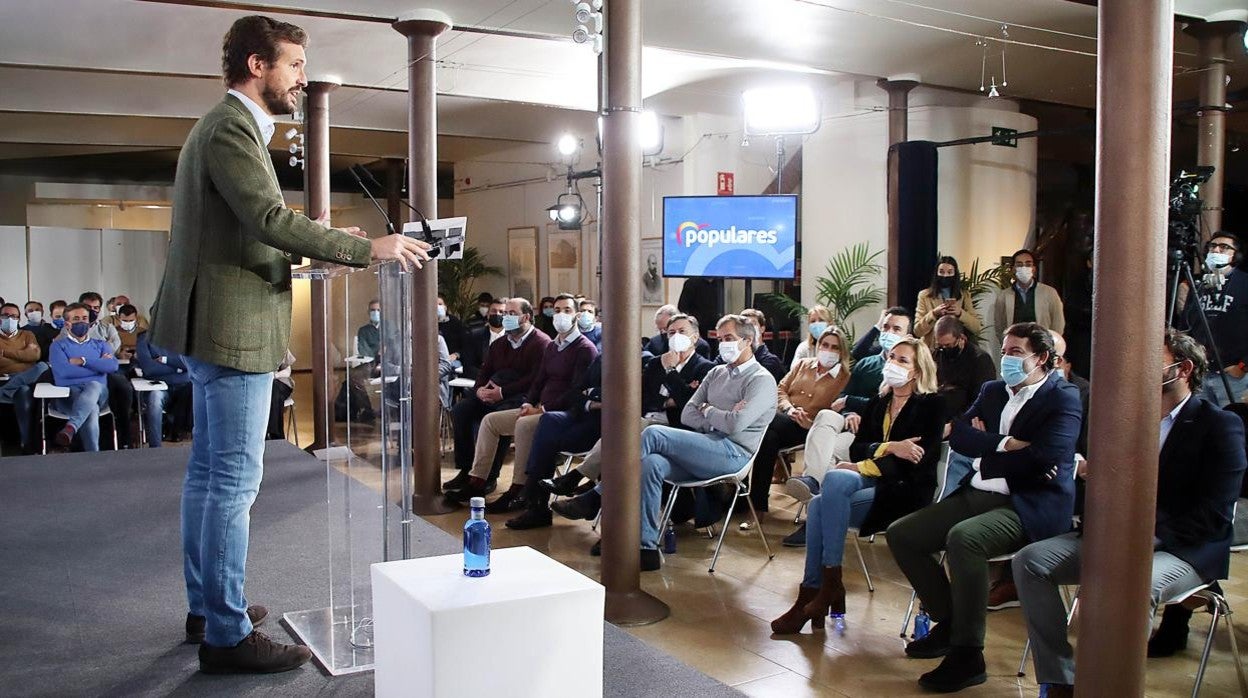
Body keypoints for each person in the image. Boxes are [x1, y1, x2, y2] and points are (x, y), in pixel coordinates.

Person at [148, 14, 431, 675]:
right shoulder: (231, 127)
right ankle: (223, 635)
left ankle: (209, 606)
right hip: (229, 329)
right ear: (257, 65)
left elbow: (245, 231)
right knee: (232, 484)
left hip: (217, 323)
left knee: (209, 479)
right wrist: (367, 248)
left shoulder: (226, 127)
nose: (302, 79)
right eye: (295, 65)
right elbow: (268, 220)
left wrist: (310, 249)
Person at [1012, 329, 1246, 698]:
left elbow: (1214, 514)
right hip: (1117, 534)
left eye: (1153, 360)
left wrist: (1145, 534)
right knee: (1030, 561)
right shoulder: (1128, 420)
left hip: (1182, 545)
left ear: (1182, 369)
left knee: (1134, 585)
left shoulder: (1219, 425)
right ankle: (1060, 678)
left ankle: (1113, 688)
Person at [885, 322, 1081, 693]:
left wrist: (987, 452)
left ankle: (968, 653)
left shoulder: (1063, 397)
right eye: (1004, 350)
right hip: (978, 492)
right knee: (903, 534)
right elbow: (959, 435)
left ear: (1040, 358)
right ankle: (949, 624)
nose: (1006, 358)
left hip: (1028, 503)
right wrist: (1007, 443)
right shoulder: (993, 390)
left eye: (1016, 353)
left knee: (965, 539)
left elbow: (1045, 458)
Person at [557, 315, 777, 571]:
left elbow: (735, 426)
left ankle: (596, 496)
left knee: (653, 434)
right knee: (650, 463)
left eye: (730, 339)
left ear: (748, 341)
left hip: (733, 453)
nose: (723, 344)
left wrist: (708, 411)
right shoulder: (717, 373)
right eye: (720, 339)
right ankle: (646, 548)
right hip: (706, 444)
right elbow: (688, 414)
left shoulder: (761, 379)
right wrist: (717, 415)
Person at [772, 336, 945, 633]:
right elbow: (858, 446)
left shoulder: (933, 405)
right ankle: (825, 586)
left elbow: (914, 460)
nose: (893, 364)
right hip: (873, 476)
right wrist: (888, 447)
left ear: (917, 370)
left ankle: (820, 591)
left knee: (820, 504)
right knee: (831, 486)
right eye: (891, 357)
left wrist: (868, 460)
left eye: (903, 360)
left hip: (903, 490)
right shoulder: (880, 401)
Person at [545, 314, 715, 501]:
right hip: (647, 418)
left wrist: (671, 373)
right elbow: (643, 397)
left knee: (627, 433)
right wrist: (669, 399)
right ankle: (589, 489)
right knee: (621, 434)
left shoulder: (705, 368)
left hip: (677, 427)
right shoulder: (656, 362)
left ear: (695, 337)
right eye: (671, 332)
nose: (676, 336)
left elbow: (689, 404)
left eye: (682, 332)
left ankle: (582, 483)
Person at [449, 294, 596, 508]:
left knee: (523, 424)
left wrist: (541, 408)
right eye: (556, 310)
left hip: (560, 412)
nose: (560, 315)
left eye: (567, 310)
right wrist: (529, 403)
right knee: (490, 421)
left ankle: (518, 488)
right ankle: (477, 480)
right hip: (536, 406)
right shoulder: (554, 345)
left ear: (577, 315)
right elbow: (539, 380)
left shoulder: (584, 348)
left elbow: (575, 391)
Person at [445, 297, 551, 493]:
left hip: (522, 397)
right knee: (461, 410)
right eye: (504, 314)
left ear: (526, 317)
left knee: (497, 417)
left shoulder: (541, 343)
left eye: (511, 314)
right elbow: (485, 371)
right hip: (494, 393)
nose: (505, 317)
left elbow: (535, 379)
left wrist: (501, 393)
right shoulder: (500, 343)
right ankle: (467, 470)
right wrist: (479, 389)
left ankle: (489, 476)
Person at [747, 326, 851, 514]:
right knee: (767, 439)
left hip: (811, 429)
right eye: (824, 345)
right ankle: (758, 506)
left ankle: (744, 425)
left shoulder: (845, 378)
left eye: (834, 347)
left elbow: (836, 413)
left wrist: (810, 423)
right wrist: (790, 409)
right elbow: (780, 389)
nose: (828, 350)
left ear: (842, 351)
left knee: (761, 424)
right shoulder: (804, 364)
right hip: (785, 419)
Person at [1180, 231, 1247, 407]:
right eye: (1212, 246)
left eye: (1224, 247)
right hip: (1201, 375)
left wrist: (1243, 366)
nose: (1216, 250)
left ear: (1236, 255)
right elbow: (1186, 326)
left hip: (1233, 377)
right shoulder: (1199, 285)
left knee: (1234, 427)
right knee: (1204, 429)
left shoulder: (1244, 283)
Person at [67, 292, 134, 449]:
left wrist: (92, 355)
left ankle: (124, 439)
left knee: (123, 386)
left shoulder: (106, 327)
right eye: (88, 307)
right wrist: (99, 354)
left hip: (105, 371)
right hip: (80, 374)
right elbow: (71, 353)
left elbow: (114, 345)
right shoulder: (70, 327)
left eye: (96, 308)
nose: (92, 311)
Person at [49, 303, 118, 452]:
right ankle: (93, 457)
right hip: (68, 396)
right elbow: (64, 372)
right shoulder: (58, 346)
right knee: (92, 408)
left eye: (85, 318)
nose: (82, 322)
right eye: (76, 318)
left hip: (99, 394)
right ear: (67, 324)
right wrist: (98, 366)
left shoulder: (101, 345)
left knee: (93, 386)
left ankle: (71, 426)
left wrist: (83, 361)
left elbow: (112, 367)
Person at [0, 303, 48, 453]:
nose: (10, 319)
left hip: (28, 377)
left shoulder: (27, 335)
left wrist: (5, 353)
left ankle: (4, 392)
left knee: (43, 366)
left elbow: (35, 355)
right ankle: (26, 444)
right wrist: (23, 356)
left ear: (19, 318)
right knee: (24, 390)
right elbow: (27, 356)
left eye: (14, 316)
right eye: (6, 316)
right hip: (6, 378)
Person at [993, 249, 1065, 344]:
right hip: (1015, 346)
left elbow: (1058, 323)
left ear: (1034, 268)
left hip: (1041, 345)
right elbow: (1000, 326)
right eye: (1019, 264)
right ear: (1013, 268)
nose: (1024, 267)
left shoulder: (1049, 292)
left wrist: (1051, 345)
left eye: (1028, 264)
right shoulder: (1003, 296)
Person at [135, 329, 192, 447]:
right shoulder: (144, 339)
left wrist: (165, 360)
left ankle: (188, 442)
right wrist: (178, 368)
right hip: (159, 385)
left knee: (196, 393)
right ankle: (155, 447)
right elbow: (149, 368)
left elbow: (189, 363)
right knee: (154, 399)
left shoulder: (183, 337)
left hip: (184, 386)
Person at [933, 316, 997, 420]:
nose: (944, 349)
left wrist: (957, 423)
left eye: (948, 345)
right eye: (940, 346)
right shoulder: (938, 354)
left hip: (965, 418)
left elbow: (980, 399)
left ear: (961, 338)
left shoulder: (980, 359)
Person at [914, 256, 983, 349]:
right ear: (936, 273)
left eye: (950, 272)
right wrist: (934, 314)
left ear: (955, 274)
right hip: (932, 350)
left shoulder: (964, 295)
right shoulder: (924, 296)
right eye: (941, 272)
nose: (945, 276)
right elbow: (918, 331)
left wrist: (960, 313)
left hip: (958, 349)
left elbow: (977, 327)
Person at [642, 304, 709, 363]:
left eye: (665, 329)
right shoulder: (655, 342)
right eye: (660, 329)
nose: (663, 333)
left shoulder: (701, 346)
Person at [460, 297, 507, 381]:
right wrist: (488, 377)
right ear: (488, 315)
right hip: (480, 383)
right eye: (494, 311)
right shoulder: (474, 335)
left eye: (501, 312)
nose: (497, 314)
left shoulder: (515, 337)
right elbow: (468, 367)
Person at [736, 309, 786, 381]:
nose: (749, 328)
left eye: (753, 324)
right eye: (745, 325)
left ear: (762, 329)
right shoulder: (733, 356)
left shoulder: (771, 361)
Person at [790, 305, 835, 369]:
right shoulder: (804, 347)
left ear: (830, 323)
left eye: (821, 320)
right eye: (813, 321)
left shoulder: (838, 346)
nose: (817, 324)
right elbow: (794, 369)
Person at [436, 295, 467, 366]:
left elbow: (465, 345)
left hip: (452, 360)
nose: (437, 307)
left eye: (440, 304)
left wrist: (456, 355)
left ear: (445, 307)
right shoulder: (427, 323)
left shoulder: (454, 322)